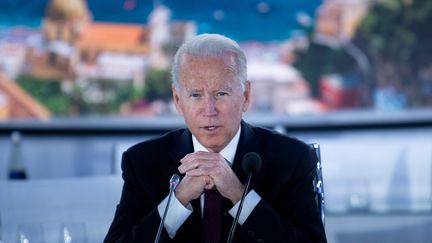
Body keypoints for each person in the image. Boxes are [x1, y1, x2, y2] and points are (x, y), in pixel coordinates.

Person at [104, 33, 327, 243]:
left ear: (246, 97)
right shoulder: (143, 162)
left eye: (221, 94)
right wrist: (179, 199)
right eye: (195, 95)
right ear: (178, 100)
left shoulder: (292, 158)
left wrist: (239, 194)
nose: (209, 110)